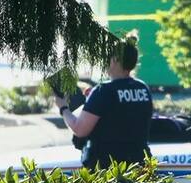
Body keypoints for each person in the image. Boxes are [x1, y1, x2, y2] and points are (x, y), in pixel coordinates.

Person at [54, 35, 153, 170]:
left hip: (109, 170)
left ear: (114, 60)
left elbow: (80, 129)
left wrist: (63, 108)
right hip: (139, 165)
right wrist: (94, 99)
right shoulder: (143, 88)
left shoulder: (103, 91)